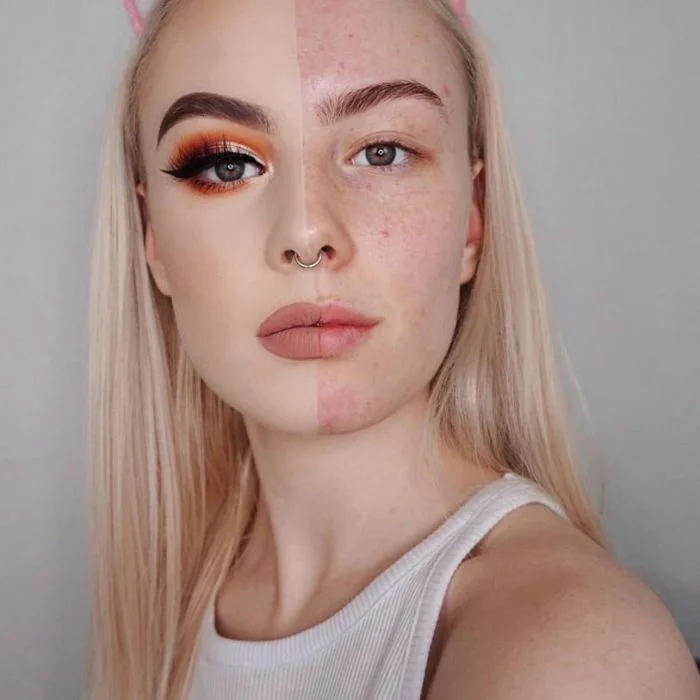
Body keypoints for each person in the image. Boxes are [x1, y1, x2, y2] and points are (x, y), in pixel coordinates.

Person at [86, 0, 700, 697]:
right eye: (226, 165)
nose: (307, 231)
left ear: (473, 221)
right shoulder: (179, 602)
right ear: (152, 239)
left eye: (383, 152)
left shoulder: (571, 655)